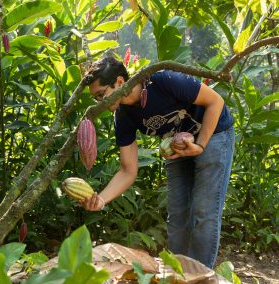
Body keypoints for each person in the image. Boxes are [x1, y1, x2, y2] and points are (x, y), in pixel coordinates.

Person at [82, 55, 235, 269]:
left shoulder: (162, 80)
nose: (100, 102)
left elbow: (215, 101)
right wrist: (101, 200)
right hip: (176, 145)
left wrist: (200, 146)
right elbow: (128, 170)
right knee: (178, 214)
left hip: (214, 134)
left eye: (101, 94)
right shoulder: (123, 116)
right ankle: (178, 274)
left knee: (204, 213)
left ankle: (199, 277)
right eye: (96, 98)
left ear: (119, 82)